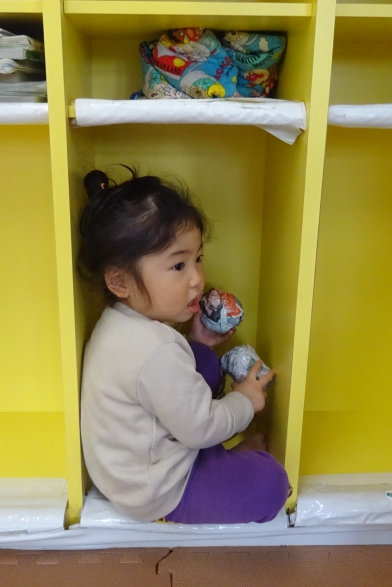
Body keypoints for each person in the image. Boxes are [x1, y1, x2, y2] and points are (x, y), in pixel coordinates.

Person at [78, 168, 289, 524]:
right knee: (272, 483)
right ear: (119, 281)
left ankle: (221, 460)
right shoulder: (155, 351)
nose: (197, 280)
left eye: (198, 259)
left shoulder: (119, 322)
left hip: (146, 463)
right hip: (157, 490)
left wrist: (198, 342)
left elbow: (166, 385)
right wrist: (246, 401)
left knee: (201, 361)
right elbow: (199, 426)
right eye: (178, 265)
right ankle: (225, 461)